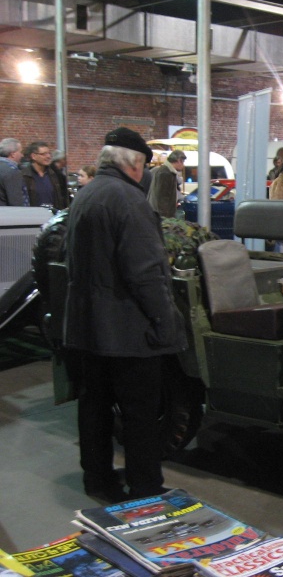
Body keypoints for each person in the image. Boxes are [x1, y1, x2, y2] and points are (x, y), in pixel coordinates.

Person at [64, 127, 187, 502]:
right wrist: (167, 323)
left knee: (95, 407)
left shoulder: (85, 195)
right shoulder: (129, 202)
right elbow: (146, 273)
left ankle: (98, 480)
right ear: (135, 164)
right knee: (140, 415)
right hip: (127, 332)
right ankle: (146, 486)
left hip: (86, 328)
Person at [21, 141, 69, 209]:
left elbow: (61, 198)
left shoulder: (54, 175)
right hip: (33, 216)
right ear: (33, 156)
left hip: (52, 216)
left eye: (49, 153)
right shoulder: (24, 176)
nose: (48, 156)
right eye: (44, 154)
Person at [148, 150, 186, 218]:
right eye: (183, 162)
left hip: (160, 214)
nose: (183, 165)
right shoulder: (166, 173)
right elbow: (162, 197)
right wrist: (166, 219)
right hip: (163, 216)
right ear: (178, 160)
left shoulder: (166, 171)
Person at [0, 137, 28, 206]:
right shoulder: (12, 172)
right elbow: (16, 201)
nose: (22, 155)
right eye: (20, 152)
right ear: (13, 154)